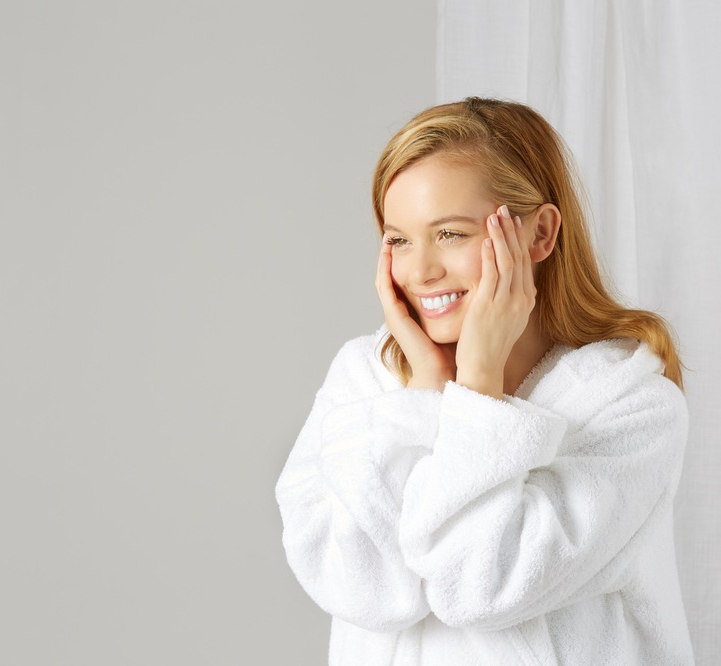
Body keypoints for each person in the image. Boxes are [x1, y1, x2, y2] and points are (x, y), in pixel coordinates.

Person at [275, 97, 693, 665]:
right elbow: (360, 587)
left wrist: (475, 387)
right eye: (398, 239)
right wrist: (424, 391)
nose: (420, 271)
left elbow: (481, 586)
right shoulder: (363, 382)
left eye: (450, 234)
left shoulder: (631, 405)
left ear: (540, 233)